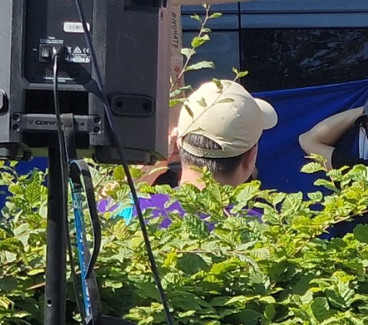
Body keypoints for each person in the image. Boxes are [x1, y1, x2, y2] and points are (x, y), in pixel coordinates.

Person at [102, 79, 277, 226]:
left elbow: (97, 216)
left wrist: (137, 179)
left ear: (177, 143)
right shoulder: (262, 231)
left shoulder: (121, 215)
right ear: (250, 158)